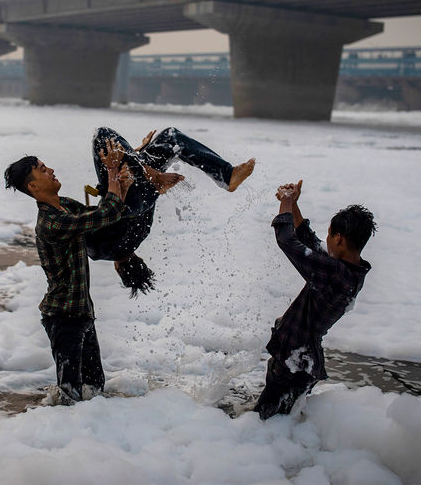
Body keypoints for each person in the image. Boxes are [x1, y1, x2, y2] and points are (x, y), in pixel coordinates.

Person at [4, 140, 133, 403]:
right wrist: (110, 176)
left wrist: (123, 187)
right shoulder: (51, 222)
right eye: (42, 169)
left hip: (83, 312)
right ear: (33, 186)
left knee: (94, 387)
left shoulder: (65, 205)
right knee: (69, 393)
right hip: (63, 316)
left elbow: (103, 215)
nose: (50, 170)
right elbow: (100, 218)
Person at [254, 180, 376, 419]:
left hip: (295, 364)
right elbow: (308, 241)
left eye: (330, 235)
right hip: (301, 362)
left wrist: (286, 202)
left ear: (339, 238)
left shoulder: (335, 274)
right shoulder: (348, 269)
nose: (326, 240)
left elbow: (287, 241)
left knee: (264, 423)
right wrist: (294, 205)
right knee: (281, 423)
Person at [86, 127, 255, 296]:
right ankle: (221, 174)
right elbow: (82, 224)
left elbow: (147, 202)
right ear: (118, 270)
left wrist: (138, 156)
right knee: (103, 135)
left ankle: (226, 176)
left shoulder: (142, 234)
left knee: (171, 139)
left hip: (143, 195)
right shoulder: (96, 252)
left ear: (140, 260)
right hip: (127, 197)